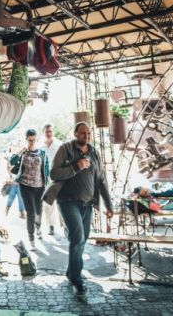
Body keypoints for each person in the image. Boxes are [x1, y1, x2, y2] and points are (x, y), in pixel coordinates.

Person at [49, 122, 113, 296]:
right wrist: (76, 167)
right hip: (67, 201)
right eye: (83, 133)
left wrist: (108, 204)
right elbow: (53, 174)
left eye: (89, 133)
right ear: (75, 133)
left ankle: (71, 272)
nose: (86, 136)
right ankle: (77, 279)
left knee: (82, 239)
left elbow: (101, 180)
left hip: (87, 204)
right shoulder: (65, 149)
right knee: (77, 237)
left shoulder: (94, 153)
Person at [13, 129, 49, 250]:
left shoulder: (42, 153)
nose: (32, 142)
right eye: (29, 140)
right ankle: (31, 238)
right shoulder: (23, 152)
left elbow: (46, 170)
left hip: (39, 187)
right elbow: (12, 161)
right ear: (26, 140)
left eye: (34, 140)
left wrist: (46, 184)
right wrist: (20, 151)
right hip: (25, 186)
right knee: (31, 212)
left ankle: (38, 228)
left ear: (36, 139)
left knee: (39, 211)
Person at [40, 123, 63, 235]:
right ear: (43, 133)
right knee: (48, 203)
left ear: (52, 132)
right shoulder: (40, 146)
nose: (48, 133)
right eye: (46, 131)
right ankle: (51, 225)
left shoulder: (59, 144)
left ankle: (65, 225)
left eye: (50, 131)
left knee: (62, 201)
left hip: (59, 177)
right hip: (46, 177)